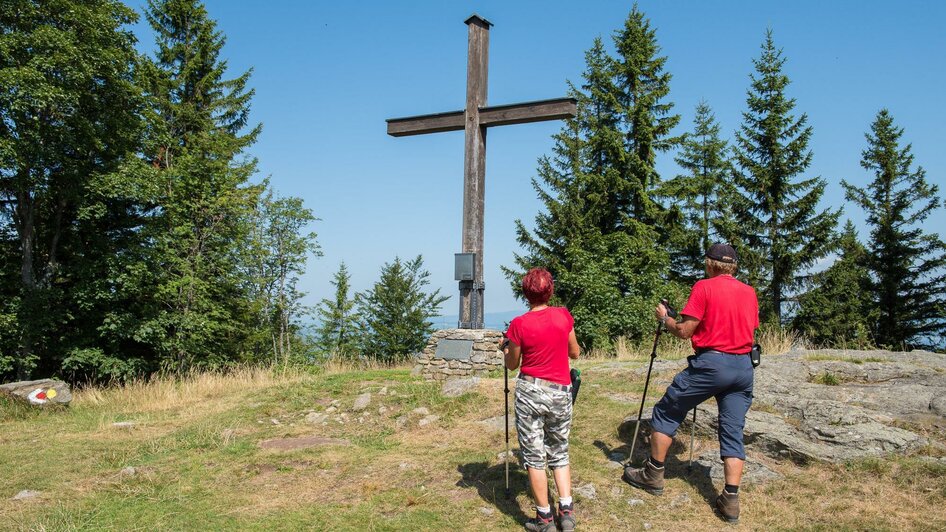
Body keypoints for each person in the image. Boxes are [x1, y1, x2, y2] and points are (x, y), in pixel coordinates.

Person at [622, 243, 759, 523]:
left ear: (710, 264)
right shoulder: (749, 292)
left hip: (711, 364)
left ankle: (653, 473)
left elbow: (685, 330)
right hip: (743, 366)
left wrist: (666, 319)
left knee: (666, 410)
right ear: (733, 267)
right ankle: (731, 499)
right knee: (733, 429)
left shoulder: (704, 287)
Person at [504, 268, 581, 532]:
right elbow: (575, 352)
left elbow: (512, 364)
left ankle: (544, 518)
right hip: (560, 391)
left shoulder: (519, 324)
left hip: (530, 392)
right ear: (550, 290)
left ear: (525, 293)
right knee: (559, 450)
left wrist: (507, 349)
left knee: (534, 455)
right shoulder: (563, 316)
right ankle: (567, 511)